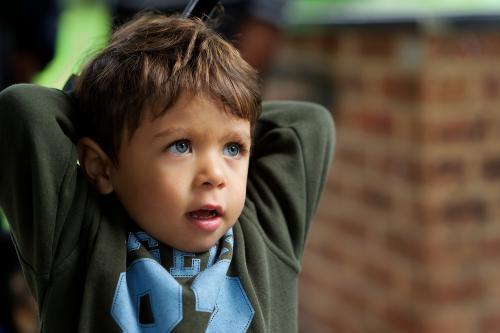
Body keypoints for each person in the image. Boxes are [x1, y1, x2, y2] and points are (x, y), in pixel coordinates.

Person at [0, 13, 334, 332]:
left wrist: (223, 109)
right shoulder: (76, 237)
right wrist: (99, 109)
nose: (215, 175)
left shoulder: (265, 232)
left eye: (233, 148)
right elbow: (22, 110)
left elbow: (306, 125)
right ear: (100, 167)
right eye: (181, 146)